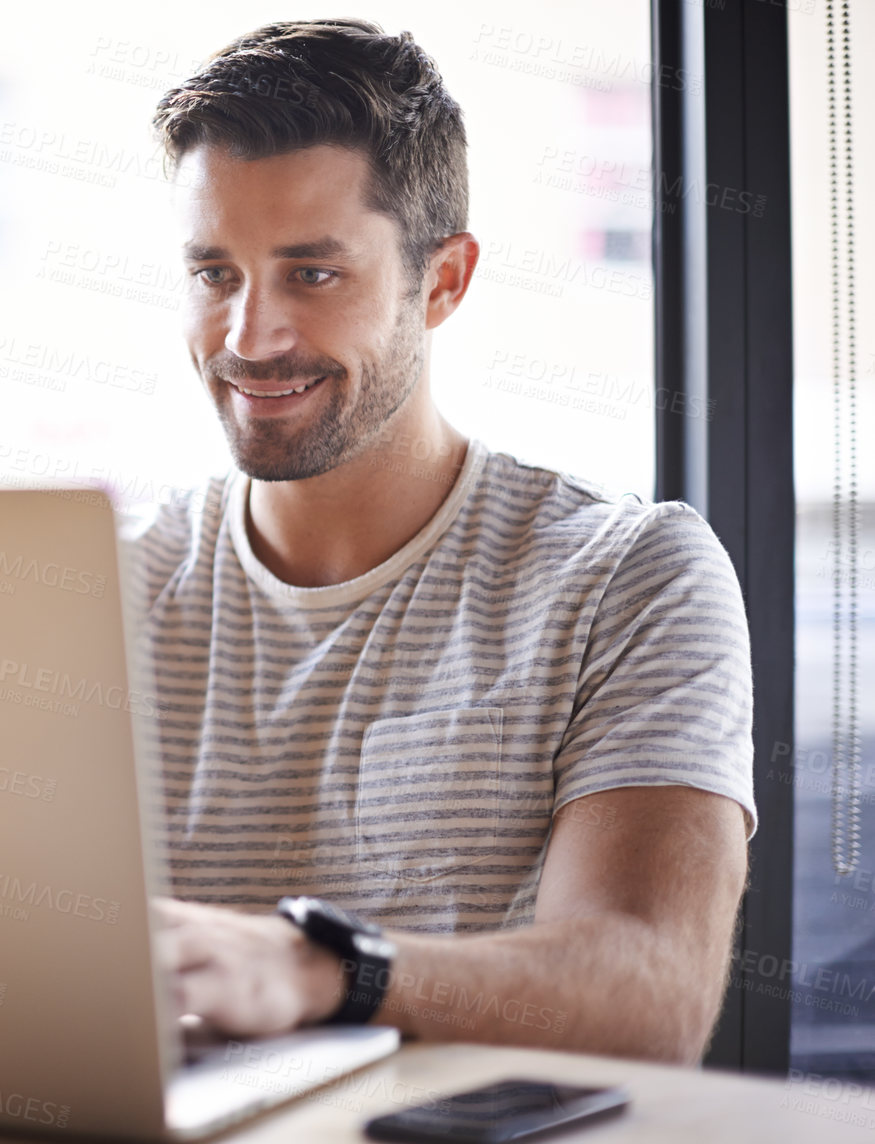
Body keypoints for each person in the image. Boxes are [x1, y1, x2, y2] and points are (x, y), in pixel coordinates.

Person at [126, 18, 753, 1064]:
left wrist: (322, 969)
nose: (248, 338)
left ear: (445, 281)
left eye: (311, 274)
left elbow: (651, 991)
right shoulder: (105, 578)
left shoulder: (625, 576)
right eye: (214, 273)